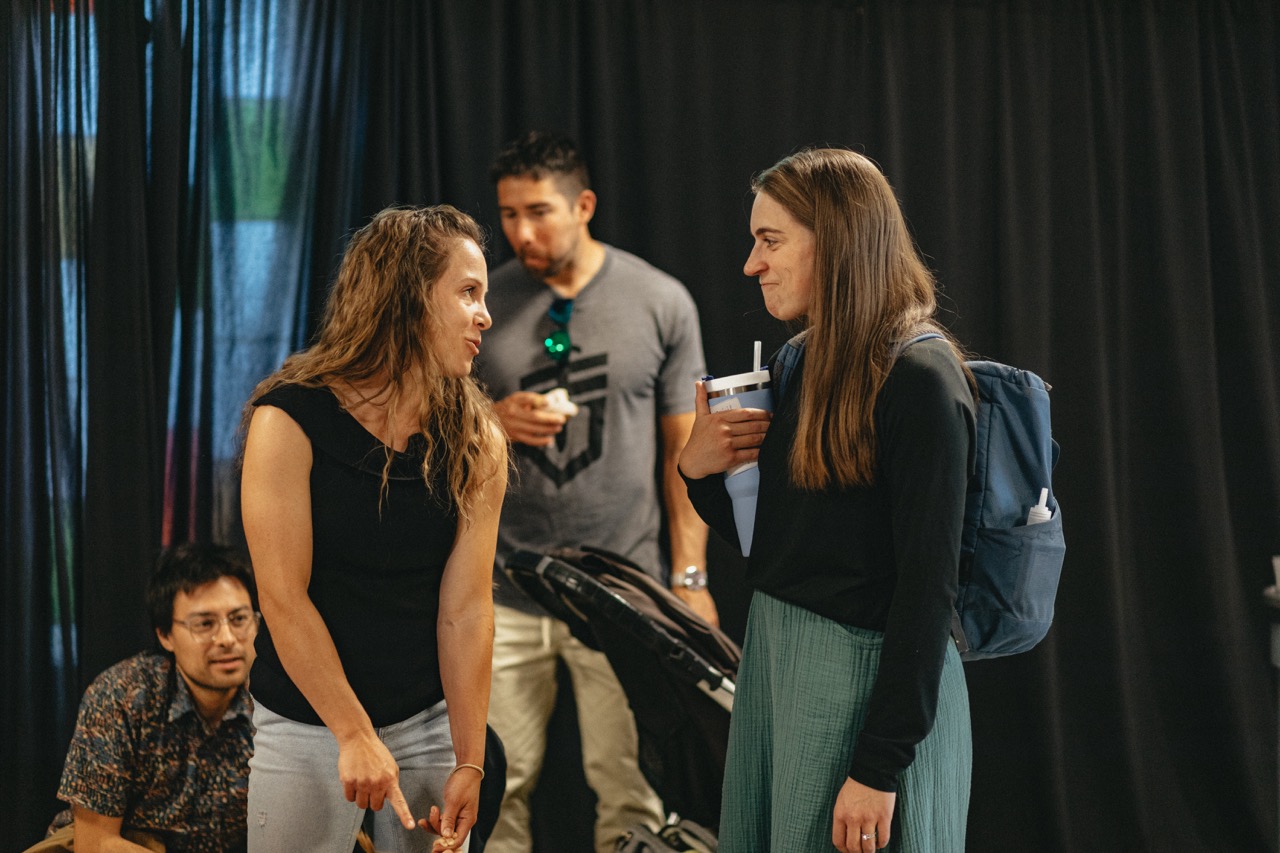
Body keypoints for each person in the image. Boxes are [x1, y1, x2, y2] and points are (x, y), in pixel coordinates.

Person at [679, 148, 975, 853]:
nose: (751, 264)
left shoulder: (921, 379)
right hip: (778, 668)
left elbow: (927, 593)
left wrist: (878, 766)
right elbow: (781, 550)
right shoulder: (802, 361)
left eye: (770, 241)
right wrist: (698, 471)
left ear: (838, 243)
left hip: (866, 696)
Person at [239, 205, 508, 853]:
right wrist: (354, 733)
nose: (485, 316)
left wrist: (469, 759)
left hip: (426, 718)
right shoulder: (288, 419)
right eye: (467, 292)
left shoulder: (477, 440)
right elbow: (283, 597)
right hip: (305, 719)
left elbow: (466, 610)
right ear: (410, 296)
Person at [476, 130, 711, 853]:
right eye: (508, 215)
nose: (521, 233)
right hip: (505, 587)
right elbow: (425, 418)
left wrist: (690, 578)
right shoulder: (481, 300)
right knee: (493, 786)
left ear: (583, 205)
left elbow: (687, 455)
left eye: (538, 212)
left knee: (630, 784)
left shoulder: (660, 300)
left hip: (623, 587)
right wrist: (489, 420)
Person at [26, 543, 258, 853]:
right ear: (165, 635)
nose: (227, 639)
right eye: (204, 624)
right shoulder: (122, 695)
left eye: (239, 619)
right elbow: (95, 843)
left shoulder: (271, 703)